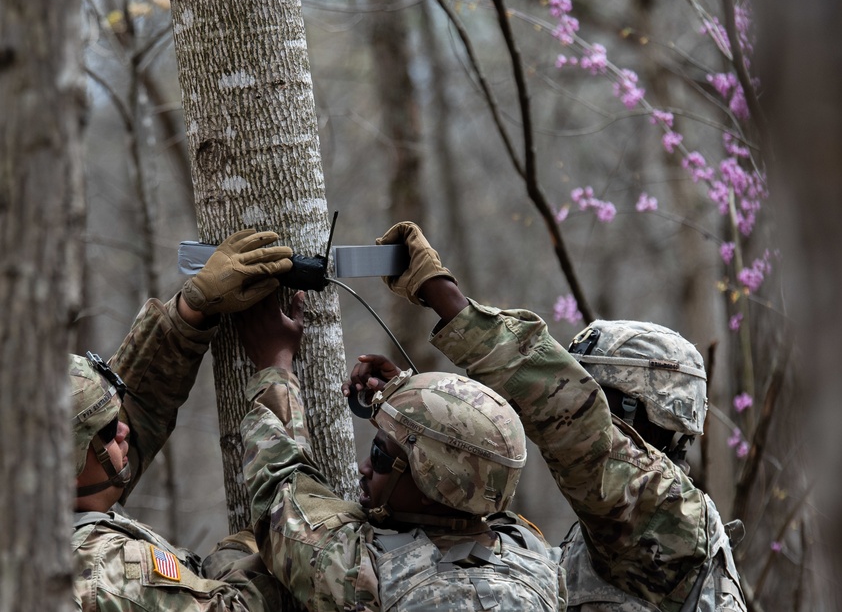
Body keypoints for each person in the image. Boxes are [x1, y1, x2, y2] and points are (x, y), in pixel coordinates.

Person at [366, 221, 748, 612]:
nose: (584, 408)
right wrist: (411, 409)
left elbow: (569, 416)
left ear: (642, 410)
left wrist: (443, 294)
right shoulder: (617, 530)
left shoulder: (668, 517)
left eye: (597, 397)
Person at [235, 290, 567, 611]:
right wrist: (411, 400)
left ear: (431, 485)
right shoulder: (536, 558)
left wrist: (274, 364)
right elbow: (473, 460)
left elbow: (281, 491)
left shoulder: (364, 572)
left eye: (380, 457)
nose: (365, 467)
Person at [72, 228, 296, 611]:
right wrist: (244, 555)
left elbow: (135, 407)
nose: (124, 429)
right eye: (109, 432)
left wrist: (191, 310)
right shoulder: (105, 575)